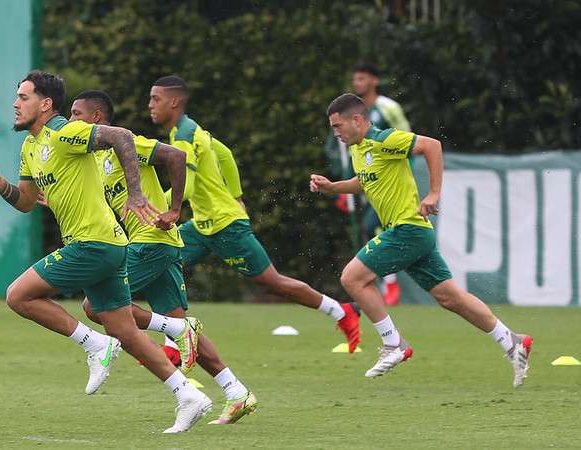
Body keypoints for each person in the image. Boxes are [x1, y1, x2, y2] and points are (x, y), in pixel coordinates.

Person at [0, 70, 211, 433]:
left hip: (93, 244)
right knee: (126, 333)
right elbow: (27, 202)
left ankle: (94, 343)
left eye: (23, 97)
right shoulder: (31, 147)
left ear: (45, 104)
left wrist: (136, 193)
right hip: (108, 246)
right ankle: (188, 396)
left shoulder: (66, 131)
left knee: (18, 296)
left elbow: (122, 136)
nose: (16, 104)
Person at [309, 93, 533, 386]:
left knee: (352, 278)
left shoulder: (384, 139)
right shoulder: (359, 149)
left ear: (357, 119)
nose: (335, 133)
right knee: (450, 298)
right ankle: (513, 341)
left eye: (338, 126)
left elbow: (432, 145)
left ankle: (394, 344)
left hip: (407, 230)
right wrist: (332, 187)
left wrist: (434, 193)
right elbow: (363, 182)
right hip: (414, 233)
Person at [66, 90, 258, 425]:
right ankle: (236, 391)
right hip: (155, 245)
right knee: (184, 331)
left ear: (96, 117)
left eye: (76, 113)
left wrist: (174, 208)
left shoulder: (125, 144)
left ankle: (174, 330)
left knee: (96, 307)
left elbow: (175, 157)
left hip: (151, 240)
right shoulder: (92, 160)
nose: (71, 121)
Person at [148, 75, 362, 353]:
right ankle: (174, 343)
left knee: (272, 283)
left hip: (226, 226)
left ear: (174, 101)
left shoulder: (186, 135)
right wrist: (237, 195)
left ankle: (342, 312)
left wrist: (154, 204)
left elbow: (185, 186)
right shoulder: (188, 130)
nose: (150, 104)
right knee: (162, 261)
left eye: (156, 99)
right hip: (202, 226)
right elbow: (223, 153)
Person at [326, 63, 412, 305]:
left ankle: (389, 281)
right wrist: (338, 188)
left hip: (391, 181)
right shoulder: (345, 120)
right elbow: (345, 153)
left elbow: (410, 143)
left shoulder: (388, 108)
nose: (357, 83)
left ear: (375, 80)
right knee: (372, 226)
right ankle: (384, 282)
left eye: (362, 78)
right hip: (366, 178)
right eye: (355, 79)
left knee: (374, 223)